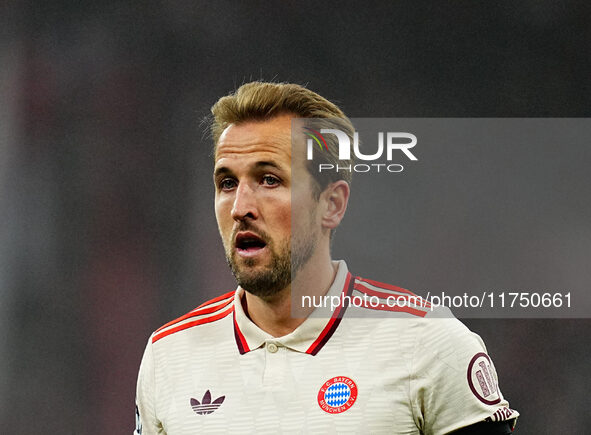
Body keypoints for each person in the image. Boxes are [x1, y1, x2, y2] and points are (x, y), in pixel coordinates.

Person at [134, 81, 518, 434]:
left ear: (331, 204)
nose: (240, 207)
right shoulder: (168, 355)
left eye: (270, 180)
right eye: (227, 183)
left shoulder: (428, 343)